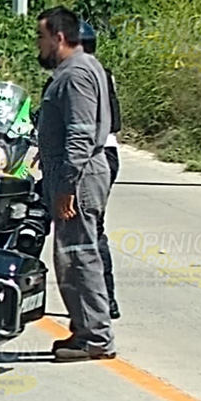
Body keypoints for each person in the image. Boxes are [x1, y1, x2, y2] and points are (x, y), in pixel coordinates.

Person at [34, 6, 117, 362]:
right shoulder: (81, 68)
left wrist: (67, 185)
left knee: (80, 256)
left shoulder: (76, 74)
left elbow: (81, 134)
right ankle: (84, 330)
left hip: (78, 179)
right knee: (73, 256)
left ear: (59, 37)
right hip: (72, 173)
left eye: (41, 37)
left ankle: (95, 337)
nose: (38, 45)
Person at [80, 20, 123, 320]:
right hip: (103, 153)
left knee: (92, 230)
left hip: (92, 156)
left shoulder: (83, 75)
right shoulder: (99, 72)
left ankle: (105, 301)